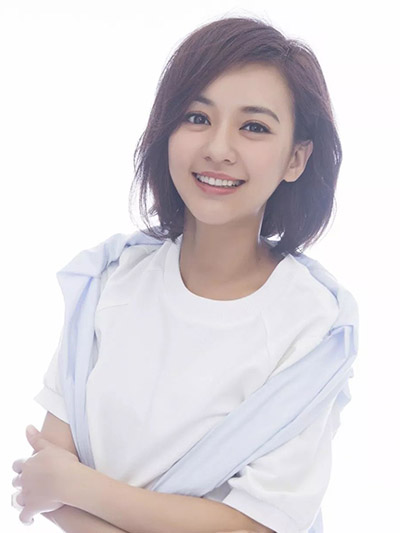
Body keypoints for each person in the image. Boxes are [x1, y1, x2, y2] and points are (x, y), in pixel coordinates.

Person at [13, 14, 358, 533]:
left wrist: (81, 486)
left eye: (254, 126)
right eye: (197, 117)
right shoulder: (110, 279)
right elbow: (48, 473)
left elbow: (257, 525)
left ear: (296, 158)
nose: (218, 148)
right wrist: (64, 485)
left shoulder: (315, 324)